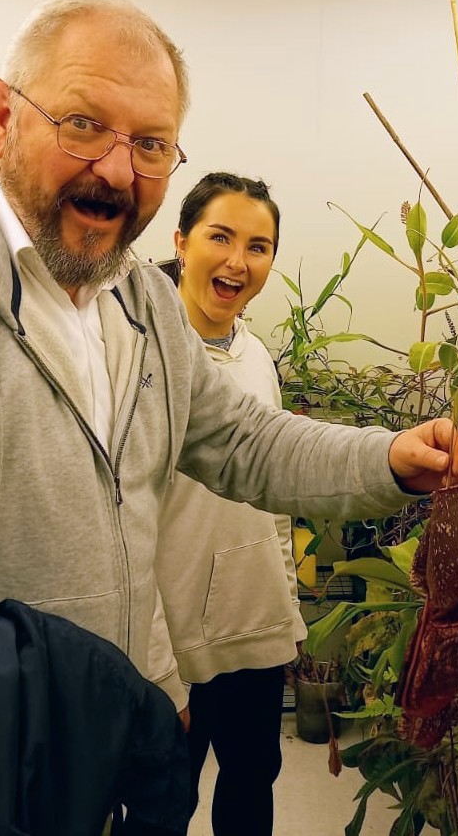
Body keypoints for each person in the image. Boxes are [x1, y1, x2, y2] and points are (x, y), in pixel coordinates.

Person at [0, 0, 458, 730]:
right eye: (84, 125)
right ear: (2, 118)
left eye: (151, 144)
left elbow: (242, 440)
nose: (119, 172)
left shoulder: (137, 301)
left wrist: (389, 459)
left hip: (127, 725)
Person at [154, 172, 296, 832]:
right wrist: (150, 656)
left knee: (249, 784)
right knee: (160, 798)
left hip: (253, 628)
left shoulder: (256, 356)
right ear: (181, 242)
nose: (239, 260)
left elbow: (272, 498)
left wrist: (286, 605)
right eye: (221, 236)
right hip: (169, 643)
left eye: (258, 245)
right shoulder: (139, 356)